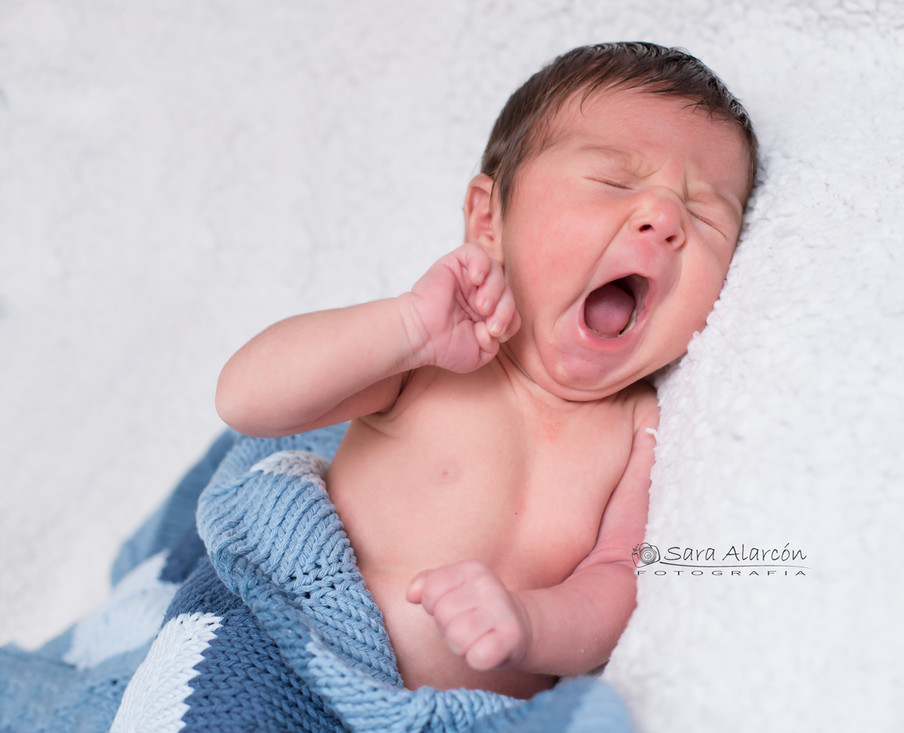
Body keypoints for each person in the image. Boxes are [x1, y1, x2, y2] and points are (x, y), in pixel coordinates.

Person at [215, 41, 757, 700]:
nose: (663, 218)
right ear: (487, 219)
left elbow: (616, 581)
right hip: (291, 661)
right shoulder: (432, 358)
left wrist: (531, 623)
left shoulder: (642, 426)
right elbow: (247, 399)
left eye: (704, 217)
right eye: (615, 181)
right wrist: (406, 330)